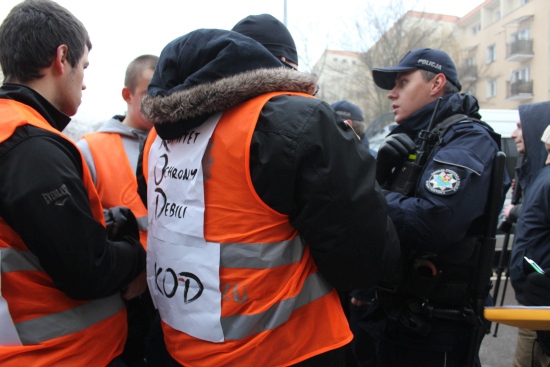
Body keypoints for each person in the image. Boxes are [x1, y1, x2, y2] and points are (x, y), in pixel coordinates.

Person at [138, 26, 399, 366]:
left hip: (181, 348)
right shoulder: (295, 121)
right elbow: (365, 259)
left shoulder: (155, 142)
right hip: (290, 349)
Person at [0, 1, 146, 365]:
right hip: (66, 354)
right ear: (60, 58)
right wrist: (137, 254)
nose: (85, 80)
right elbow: (88, 269)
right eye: (83, 67)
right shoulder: (31, 146)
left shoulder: (12, 130)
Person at [350, 48, 505, 366]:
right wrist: (380, 179)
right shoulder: (422, 139)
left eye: (403, 82)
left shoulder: (467, 141)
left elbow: (431, 222)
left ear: (436, 83)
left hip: (436, 327)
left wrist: (370, 194)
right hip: (400, 315)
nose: (392, 94)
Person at [77, 54, 158, 367]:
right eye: (150, 93)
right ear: (128, 95)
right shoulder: (92, 148)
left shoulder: (175, 146)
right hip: (124, 295)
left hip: (171, 288)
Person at [509, 103, 550, 367]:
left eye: (521, 126)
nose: (514, 134)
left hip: (542, 306)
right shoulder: (542, 176)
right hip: (536, 304)